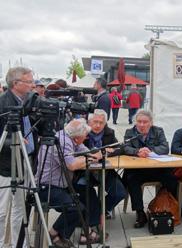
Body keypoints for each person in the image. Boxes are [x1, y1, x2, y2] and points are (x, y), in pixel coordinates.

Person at [36, 119, 103, 247]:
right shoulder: (63, 141)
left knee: (88, 192)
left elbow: (84, 150)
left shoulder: (69, 136)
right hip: (48, 187)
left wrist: (90, 155)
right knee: (76, 208)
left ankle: (85, 231)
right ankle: (54, 233)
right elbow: (71, 165)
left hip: (62, 184)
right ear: (77, 138)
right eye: (84, 137)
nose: (85, 138)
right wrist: (91, 157)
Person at [122, 110, 178, 228]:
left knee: (172, 177)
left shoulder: (158, 131)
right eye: (139, 122)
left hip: (156, 169)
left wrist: (149, 151)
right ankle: (140, 212)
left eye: (145, 122)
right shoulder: (130, 132)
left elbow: (165, 148)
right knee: (131, 178)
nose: (142, 125)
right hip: (138, 170)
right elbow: (125, 147)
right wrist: (137, 151)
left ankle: (166, 207)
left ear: (151, 123)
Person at [0, 67, 36, 247]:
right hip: (6, 165)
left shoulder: (26, 100)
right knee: (1, 211)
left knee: (19, 208)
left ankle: (18, 244)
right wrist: (11, 139)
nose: (33, 85)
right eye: (29, 82)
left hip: (25, 160)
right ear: (16, 84)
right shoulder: (3, 103)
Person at [81, 109, 126, 218]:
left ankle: (101, 211)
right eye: (95, 122)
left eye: (101, 123)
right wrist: (91, 155)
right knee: (83, 192)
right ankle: (87, 215)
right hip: (83, 171)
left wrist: (105, 153)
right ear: (89, 122)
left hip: (104, 171)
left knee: (119, 192)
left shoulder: (109, 133)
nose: (98, 125)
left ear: (105, 123)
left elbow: (120, 148)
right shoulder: (82, 132)